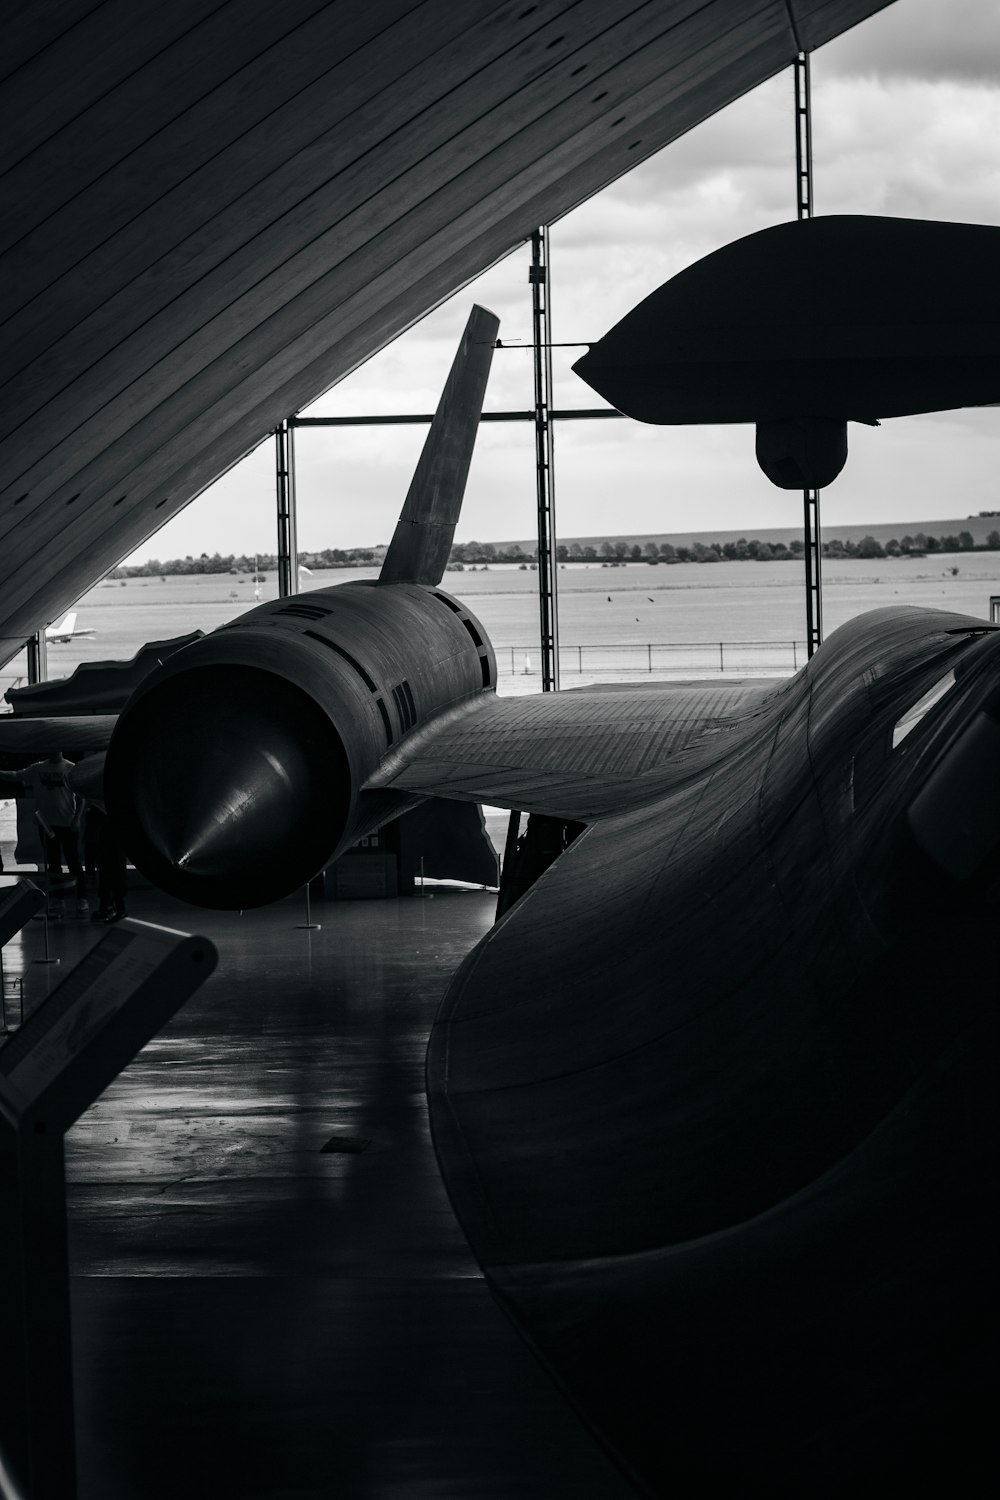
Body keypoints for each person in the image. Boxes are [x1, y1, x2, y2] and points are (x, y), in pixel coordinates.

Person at [0, 750, 88, 915]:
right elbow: (16, 775)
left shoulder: (71, 768)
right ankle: (58, 899)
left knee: (73, 862)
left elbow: (81, 797)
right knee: (53, 863)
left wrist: (76, 819)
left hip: (67, 823)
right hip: (47, 825)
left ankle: (81, 897)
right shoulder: (38, 768)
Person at [68, 755, 127, 922]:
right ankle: (116, 907)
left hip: (106, 846)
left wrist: (90, 861)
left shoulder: (96, 809)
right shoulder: (115, 805)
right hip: (114, 843)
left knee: (109, 873)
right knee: (116, 872)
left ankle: (109, 907)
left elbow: (91, 837)